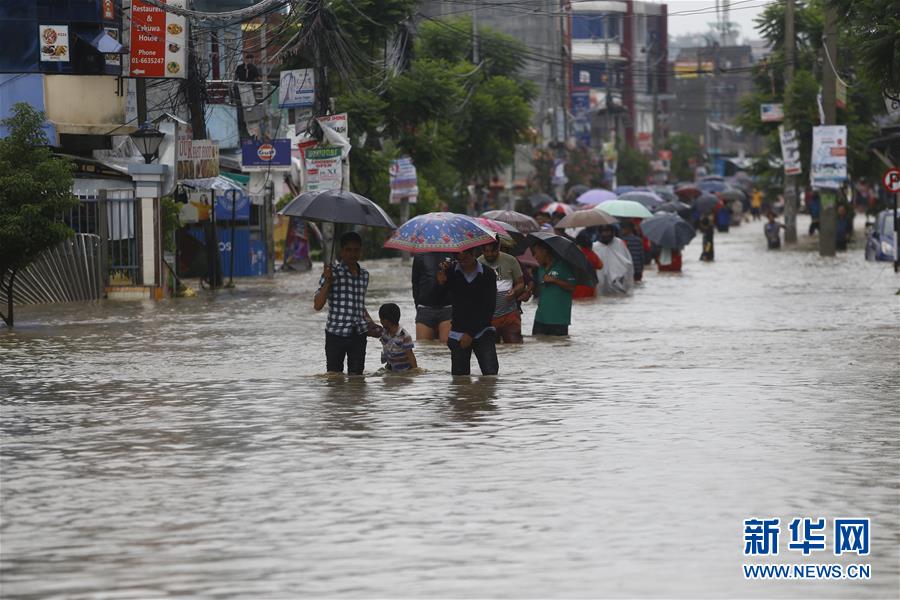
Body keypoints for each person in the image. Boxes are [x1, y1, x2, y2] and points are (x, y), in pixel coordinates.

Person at [313, 231, 379, 375]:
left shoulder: (364, 275)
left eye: (356, 250)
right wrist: (328, 283)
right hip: (335, 334)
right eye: (348, 250)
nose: (352, 254)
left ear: (360, 251)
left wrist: (371, 324)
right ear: (341, 251)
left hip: (359, 334)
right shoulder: (332, 273)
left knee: (357, 381)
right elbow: (317, 305)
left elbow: (359, 305)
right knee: (334, 378)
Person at [436, 247, 499, 376]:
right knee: (460, 380)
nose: (462, 262)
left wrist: (470, 333)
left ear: (473, 254)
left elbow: (489, 308)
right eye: (459, 259)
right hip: (458, 332)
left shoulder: (488, 274)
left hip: (483, 331)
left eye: (466, 258)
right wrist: (441, 283)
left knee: (490, 376)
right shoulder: (451, 272)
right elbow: (439, 300)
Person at [478, 240, 525, 343]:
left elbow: (521, 283)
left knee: (514, 347)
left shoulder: (511, 260)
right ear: (482, 250)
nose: (489, 254)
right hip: (488, 317)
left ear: (498, 248)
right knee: (491, 349)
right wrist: (487, 291)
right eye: (486, 251)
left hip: (510, 314)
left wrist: (514, 291)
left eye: (493, 251)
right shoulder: (478, 263)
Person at [532, 242, 576, 335]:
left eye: (536, 253)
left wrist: (555, 281)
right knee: (537, 346)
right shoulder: (539, 269)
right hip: (540, 317)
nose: (534, 257)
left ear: (544, 252)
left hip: (559, 320)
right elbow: (538, 291)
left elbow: (572, 287)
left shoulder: (563, 266)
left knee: (558, 347)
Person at [411, 252, 453, 342]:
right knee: (424, 348)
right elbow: (415, 283)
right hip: (424, 308)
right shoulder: (419, 256)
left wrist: (447, 277)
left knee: (446, 348)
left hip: (448, 308)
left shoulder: (453, 255)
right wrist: (418, 306)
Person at [592, 225, 634, 295]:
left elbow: (628, 263)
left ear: (613, 232)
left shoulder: (619, 243)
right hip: (601, 285)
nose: (605, 234)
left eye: (608, 231)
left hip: (619, 283)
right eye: (603, 231)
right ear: (599, 233)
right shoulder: (595, 247)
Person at [377, 303, 417, 372]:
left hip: (405, 372)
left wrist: (415, 370)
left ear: (386, 321)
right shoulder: (384, 334)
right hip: (391, 369)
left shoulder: (404, 336)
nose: (380, 321)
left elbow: (411, 355)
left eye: (381, 319)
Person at [573, 231, 602, 298]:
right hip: (590, 286)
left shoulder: (574, 254)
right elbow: (600, 266)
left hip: (576, 287)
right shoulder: (592, 254)